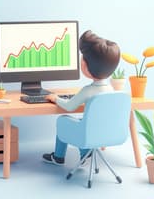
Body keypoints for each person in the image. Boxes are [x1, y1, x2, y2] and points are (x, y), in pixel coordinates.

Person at [42, 30, 121, 165]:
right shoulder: (112, 90)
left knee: (63, 121)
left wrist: (55, 98)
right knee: (83, 122)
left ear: (84, 65)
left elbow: (69, 106)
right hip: (105, 132)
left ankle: (58, 157)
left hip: (89, 133)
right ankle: (86, 153)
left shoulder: (88, 91)